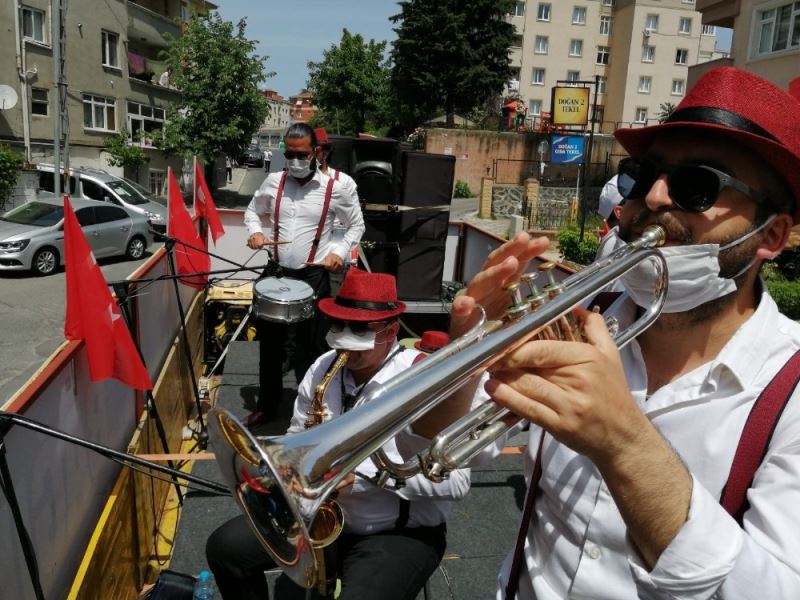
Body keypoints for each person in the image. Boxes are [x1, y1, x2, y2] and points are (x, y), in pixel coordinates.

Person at [415, 66, 800, 598]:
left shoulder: (792, 392)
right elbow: (432, 447)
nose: (656, 197)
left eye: (698, 184)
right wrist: (465, 347)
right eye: (643, 175)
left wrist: (624, 445)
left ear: (772, 235)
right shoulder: (582, 319)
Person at [207, 268, 476, 600]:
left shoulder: (424, 379)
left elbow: (458, 482)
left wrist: (365, 473)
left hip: (397, 533)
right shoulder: (323, 367)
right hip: (323, 519)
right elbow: (297, 435)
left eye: (359, 329)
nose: (344, 341)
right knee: (225, 548)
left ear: (390, 331)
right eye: (338, 324)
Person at [243, 123, 365, 427]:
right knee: (270, 347)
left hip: (313, 277)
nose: (295, 159)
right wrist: (256, 233)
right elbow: (252, 212)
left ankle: (314, 408)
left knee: (313, 349)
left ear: (316, 153)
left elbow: (356, 225)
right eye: (290, 153)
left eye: (302, 154)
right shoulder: (274, 182)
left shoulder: (334, 187)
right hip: (276, 274)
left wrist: (338, 251)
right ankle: (268, 406)